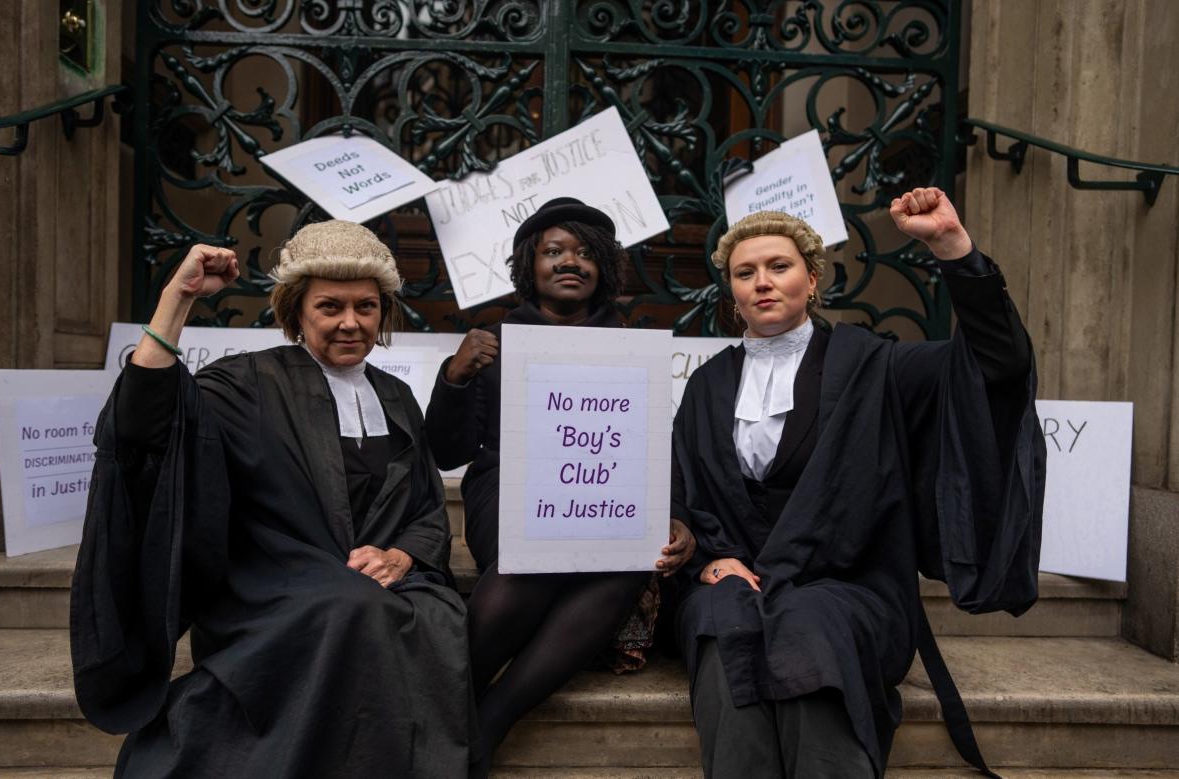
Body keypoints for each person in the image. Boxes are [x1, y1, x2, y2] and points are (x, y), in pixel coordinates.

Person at [70, 221, 474, 777]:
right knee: (350, 609)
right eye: (330, 307)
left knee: (425, 616)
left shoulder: (397, 396)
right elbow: (142, 426)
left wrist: (402, 556)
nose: (351, 323)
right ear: (296, 312)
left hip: (377, 582)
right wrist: (177, 299)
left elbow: (427, 507)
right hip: (272, 580)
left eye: (366, 307)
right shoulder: (247, 381)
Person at [671, 188, 1044, 778]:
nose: (762, 282)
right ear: (733, 293)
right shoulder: (706, 387)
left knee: (809, 624)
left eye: (779, 266)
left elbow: (999, 362)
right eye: (745, 273)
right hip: (736, 580)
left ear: (812, 279)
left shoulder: (876, 365)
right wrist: (706, 563)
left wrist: (951, 246)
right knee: (721, 619)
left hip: (849, 586)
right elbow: (682, 495)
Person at [425, 197, 696, 775]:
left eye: (583, 253)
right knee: (538, 550)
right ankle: (446, 704)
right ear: (531, 265)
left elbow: (649, 448)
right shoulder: (491, 343)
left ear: (602, 266)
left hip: (602, 495)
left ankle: (492, 719)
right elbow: (447, 451)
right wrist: (454, 376)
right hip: (507, 492)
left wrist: (671, 517)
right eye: (553, 252)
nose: (568, 262)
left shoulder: (631, 347)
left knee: (627, 559)